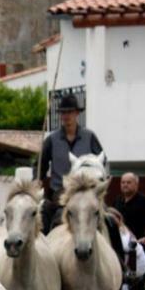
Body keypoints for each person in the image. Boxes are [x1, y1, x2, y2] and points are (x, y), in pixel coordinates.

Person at [38, 91, 104, 234]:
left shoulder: (89, 136)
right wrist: (36, 182)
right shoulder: (52, 139)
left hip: (88, 190)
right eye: (63, 113)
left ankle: (117, 252)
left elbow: (102, 161)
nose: (66, 116)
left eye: (70, 112)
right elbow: (40, 166)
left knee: (110, 221)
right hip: (61, 193)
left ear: (77, 114)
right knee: (51, 219)